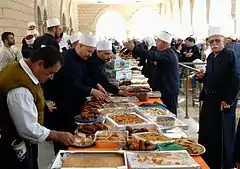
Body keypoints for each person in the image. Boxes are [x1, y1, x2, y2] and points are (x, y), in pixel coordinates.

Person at [0, 46, 75, 169]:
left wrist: (42, 104)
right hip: (12, 146)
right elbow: (27, 129)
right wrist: (56, 135)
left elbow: (28, 100)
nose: (51, 78)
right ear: (40, 64)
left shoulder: (19, 67)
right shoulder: (20, 88)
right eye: (50, 73)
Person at [43, 34, 108, 154]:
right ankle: (62, 159)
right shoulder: (66, 59)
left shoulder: (81, 59)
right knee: (63, 139)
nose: (90, 54)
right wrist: (91, 90)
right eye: (89, 51)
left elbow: (84, 78)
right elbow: (70, 82)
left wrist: (96, 84)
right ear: (80, 45)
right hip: (61, 105)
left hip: (74, 104)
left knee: (75, 136)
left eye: (92, 52)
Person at [196, 26, 240, 169]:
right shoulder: (210, 56)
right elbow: (211, 76)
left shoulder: (230, 54)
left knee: (222, 135)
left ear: (224, 41)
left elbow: (235, 78)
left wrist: (228, 100)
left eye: (217, 41)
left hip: (223, 102)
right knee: (208, 132)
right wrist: (202, 77)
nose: (214, 44)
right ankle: (208, 161)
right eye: (211, 41)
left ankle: (222, 165)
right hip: (209, 100)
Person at [124, 31, 179, 115]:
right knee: (159, 113)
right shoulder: (162, 52)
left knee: (169, 114)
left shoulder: (169, 53)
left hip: (168, 90)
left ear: (164, 42)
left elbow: (152, 55)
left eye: (158, 41)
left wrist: (135, 48)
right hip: (160, 89)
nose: (156, 42)